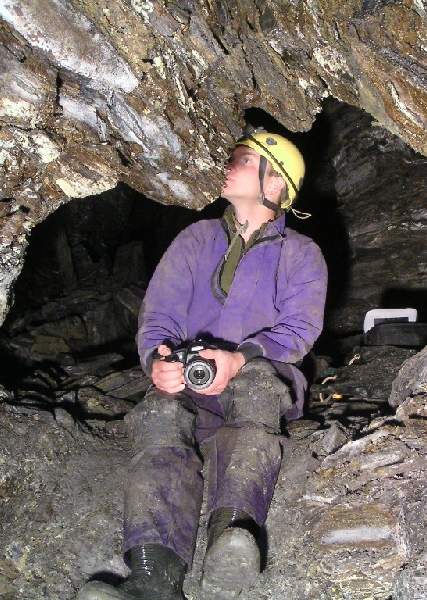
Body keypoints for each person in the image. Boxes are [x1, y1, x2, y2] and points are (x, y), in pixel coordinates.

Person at [78, 130, 328, 599]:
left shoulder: (301, 254)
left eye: (242, 159)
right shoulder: (195, 239)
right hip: (192, 379)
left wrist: (240, 357)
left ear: (275, 183)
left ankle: (230, 542)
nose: (227, 164)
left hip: (258, 377)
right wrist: (159, 360)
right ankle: (154, 577)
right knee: (160, 414)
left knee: (256, 388)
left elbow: (299, 330)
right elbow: (159, 315)